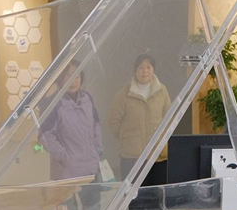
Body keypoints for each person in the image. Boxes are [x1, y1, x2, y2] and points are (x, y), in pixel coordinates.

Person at [108, 54, 172, 187]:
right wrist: (127, 138)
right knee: (135, 198)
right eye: (141, 68)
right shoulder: (123, 95)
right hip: (132, 157)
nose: (145, 71)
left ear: (153, 69)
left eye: (148, 67)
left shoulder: (162, 90)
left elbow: (169, 117)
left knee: (158, 196)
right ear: (135, 71)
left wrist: (162, 139)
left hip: (157, 154)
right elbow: (113, 122)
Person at [38, 65, 103, 182]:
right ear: (61, 78)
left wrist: (97, 147)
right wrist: (65, 158)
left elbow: (95, 123)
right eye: (69, 75)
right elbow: (45, 136)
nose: (73, 80)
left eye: (76, 75)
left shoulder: (87, 98)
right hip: (68, 174)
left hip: (91, 170)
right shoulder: (54, 104)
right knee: (68, 201)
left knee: (94, 200)